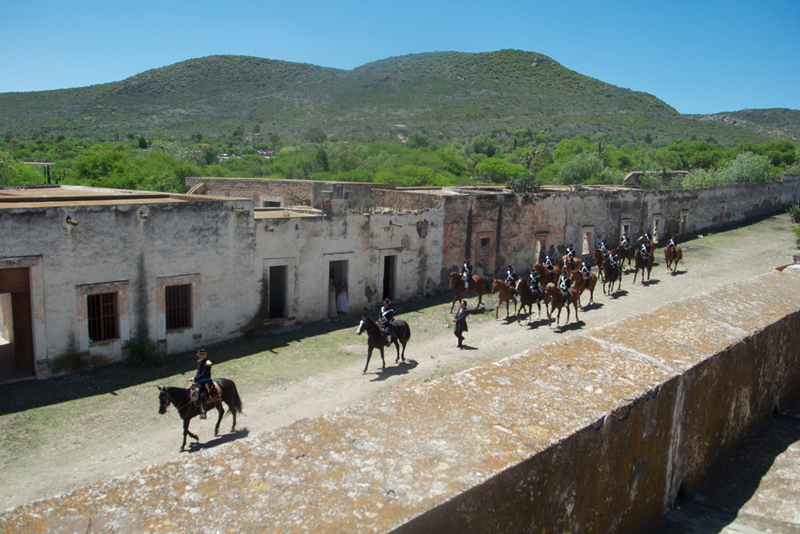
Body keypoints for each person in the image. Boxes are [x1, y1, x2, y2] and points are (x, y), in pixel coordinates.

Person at [188, 349, 213, 419]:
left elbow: (204, 374)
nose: (198, 356)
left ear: (204, 355)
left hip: (206, 383)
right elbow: (198, 373)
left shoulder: (208, 363)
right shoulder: (200, 362)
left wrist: (194, 379)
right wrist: (195, 380)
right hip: (199, 382)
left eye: (200, 355)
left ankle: (204, 412)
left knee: (202, 396)